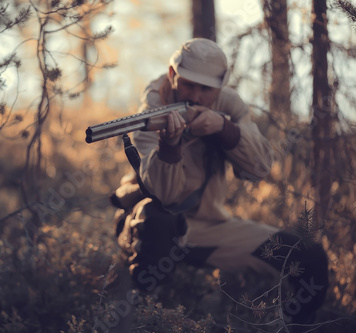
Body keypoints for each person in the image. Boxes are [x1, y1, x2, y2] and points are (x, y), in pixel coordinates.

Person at [111, 38, 328, 331]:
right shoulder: (153, 108)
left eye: (206, 89)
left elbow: (260, 167)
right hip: (149, 225)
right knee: (156, 219)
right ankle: (143, 317)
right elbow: (163, 195)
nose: (197, 95)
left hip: (209, 228)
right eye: (188, 84)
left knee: (308, 255)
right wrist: (171, 146)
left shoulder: (229, 105)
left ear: (220, 87)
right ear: (173, 76)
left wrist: (225, 130)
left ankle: (296, 327)